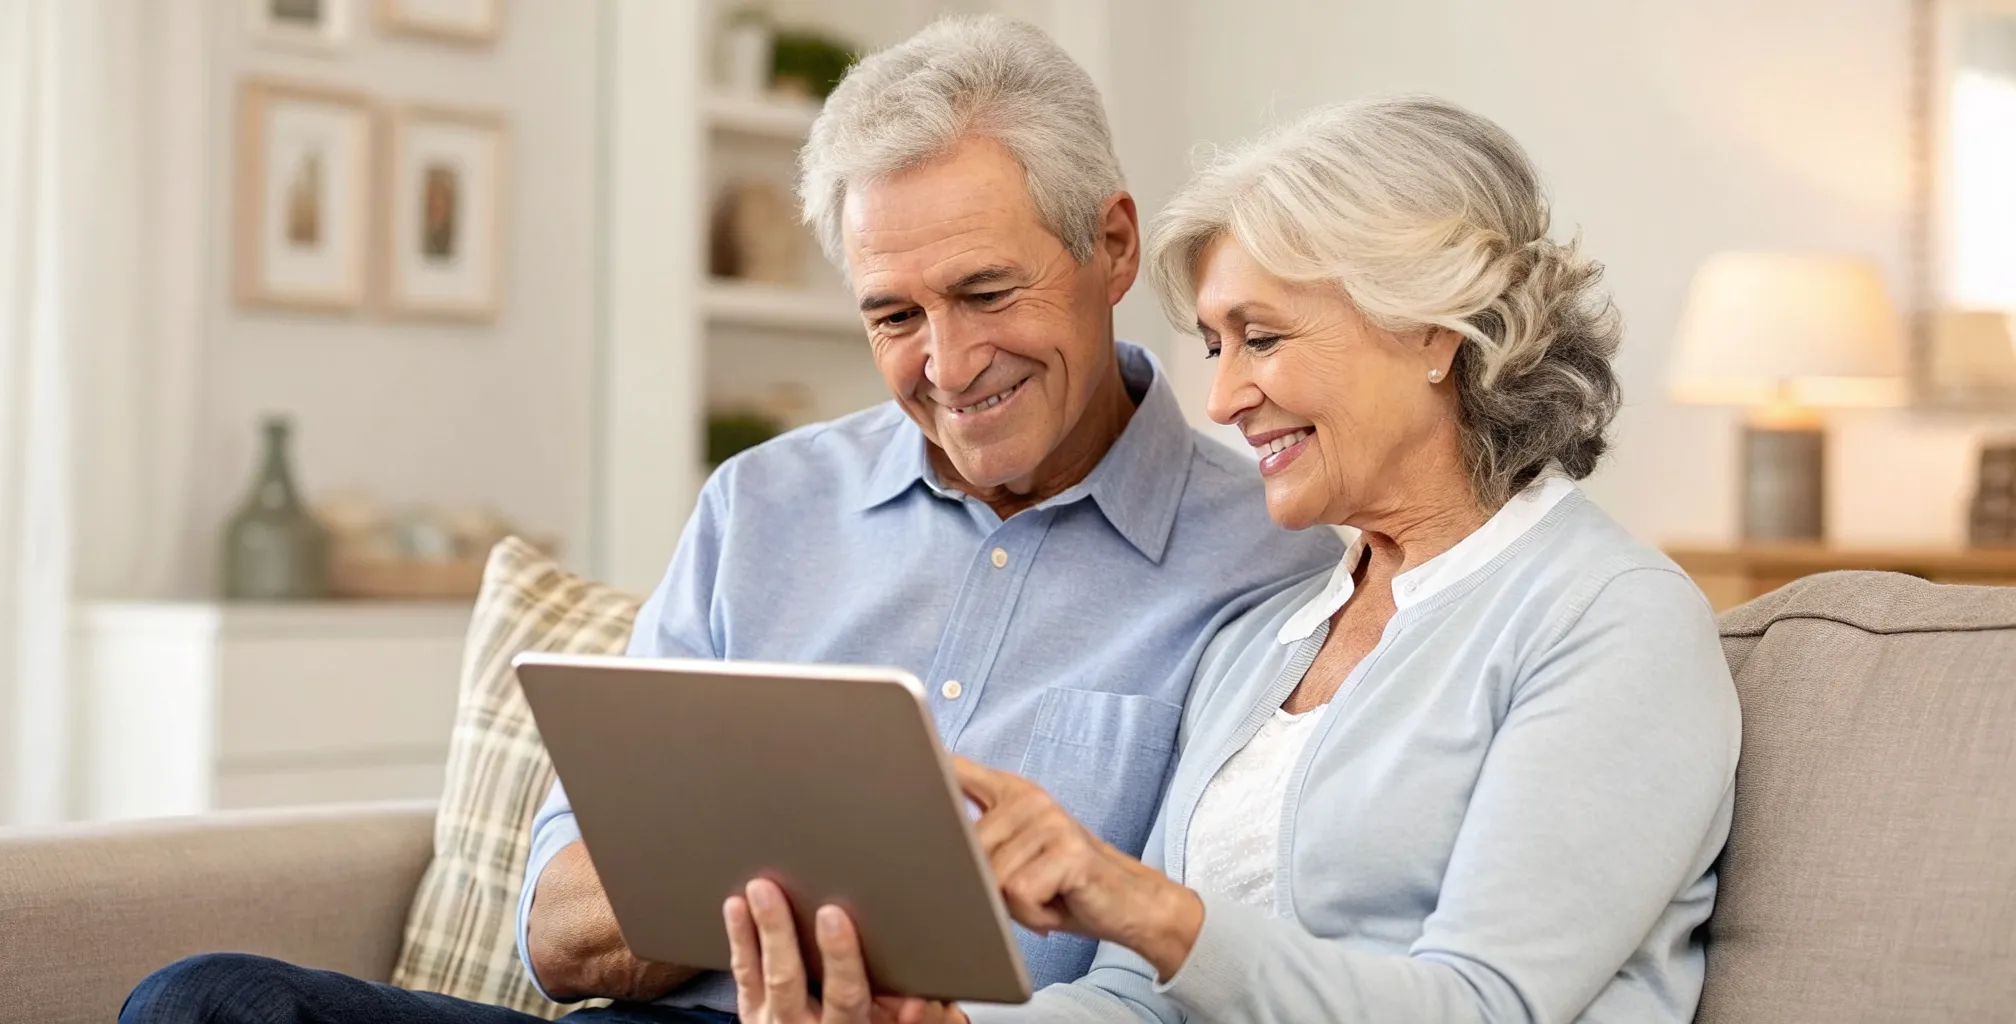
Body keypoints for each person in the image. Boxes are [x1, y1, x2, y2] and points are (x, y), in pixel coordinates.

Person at [117, 16, 1337, 1024]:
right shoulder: (763, 506)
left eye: (983, 292)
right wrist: (784, 892)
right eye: (893, 315)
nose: (948, 363)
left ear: (1109, 245)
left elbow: (1199, 961)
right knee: (204, 1001)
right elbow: (555, 927)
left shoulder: (1275, 555)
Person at [725, 95, 1742, 1024]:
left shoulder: (1608, 618)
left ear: (1432, 331)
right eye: (1216, 346)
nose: (1221, 400)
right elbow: (1142, 995)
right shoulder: (1276, 629)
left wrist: (1149, 910)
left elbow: (1482, 1007)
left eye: (1259, 337)